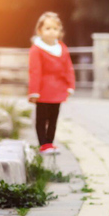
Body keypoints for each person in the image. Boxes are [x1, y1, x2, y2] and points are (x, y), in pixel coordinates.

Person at [28, 12, 75, 155]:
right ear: (40, 30)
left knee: (54, 118)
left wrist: (70, 85)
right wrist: (34, 91)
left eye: (55, 28)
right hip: (42, 90)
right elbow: (35, 71)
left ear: (60, 31)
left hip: (58, 89)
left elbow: (68, 68)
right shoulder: (36, 49)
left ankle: (49, 142)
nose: (51, 31)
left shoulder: (62, 48)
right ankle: (43, 144)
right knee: (42, 118)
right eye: (47, 28)